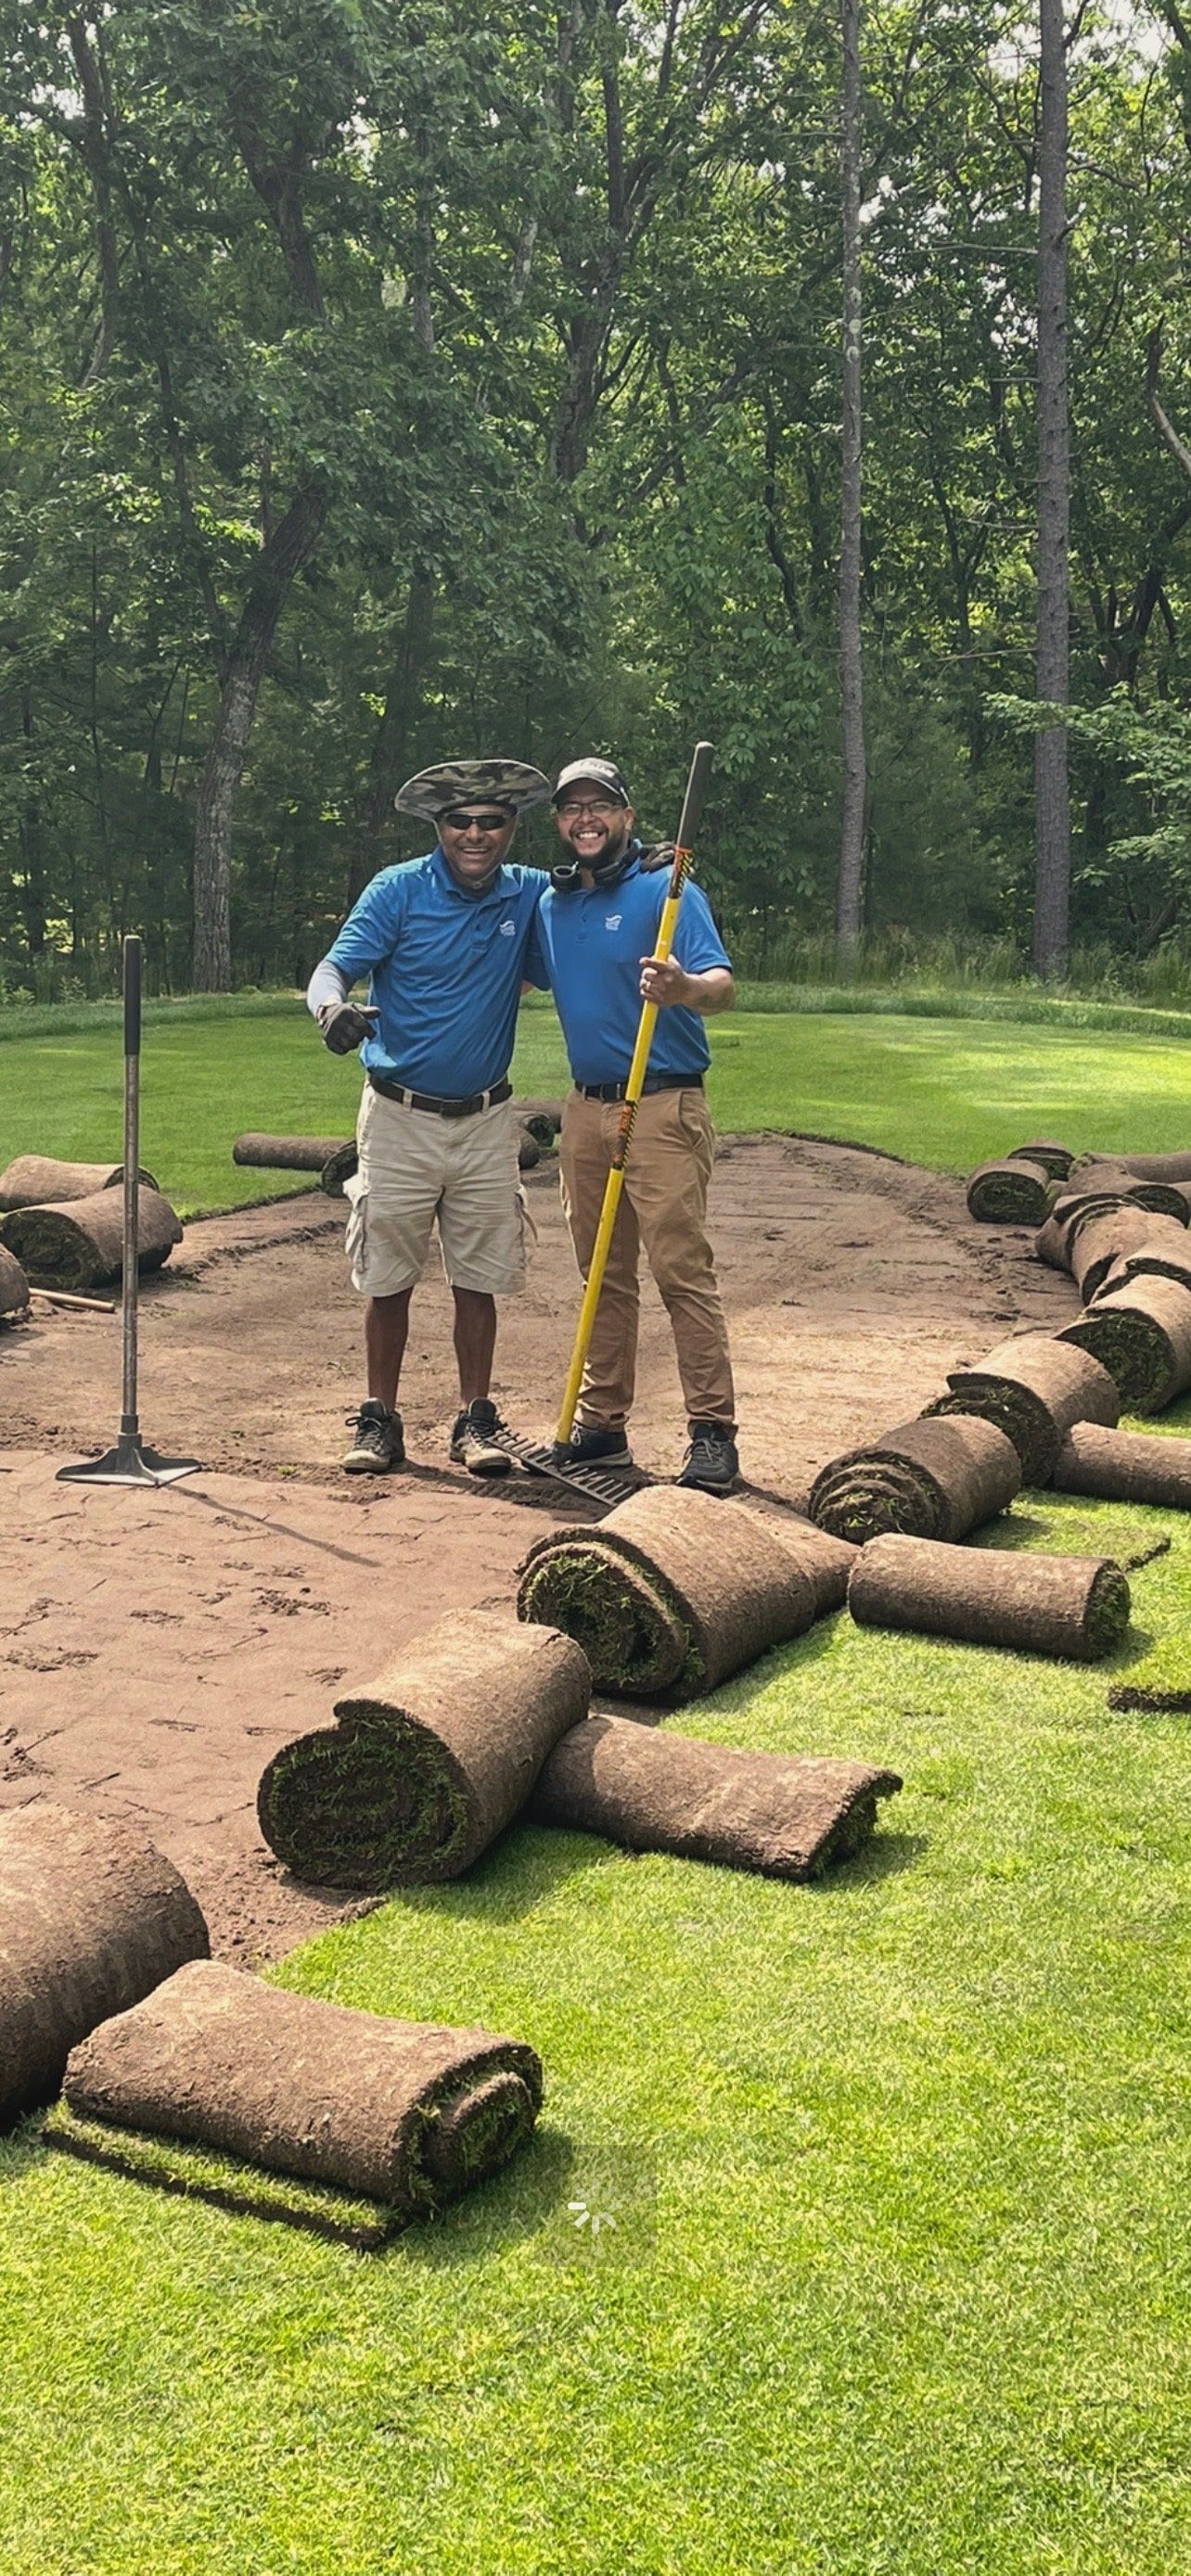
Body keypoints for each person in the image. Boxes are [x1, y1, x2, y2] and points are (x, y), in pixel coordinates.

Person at [306, 758, 552, 1476]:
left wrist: (643, 865)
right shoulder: (398, 889)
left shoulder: (531, 893)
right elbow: (332, 969)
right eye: (459, 821)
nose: (475, 834)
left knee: (479, 1277)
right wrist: (330, 1010)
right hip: (399, 1115)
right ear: (438, 826)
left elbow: (598, 902)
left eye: (491, 821)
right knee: (388, 1276)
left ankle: (476, 1421)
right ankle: (379, 1418)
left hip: (485, 1119)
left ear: (512, 827)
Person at [530, 755, 740, 1494]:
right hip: (585, 1109)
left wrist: (683, 987)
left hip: (660, 1104)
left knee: (681, 1270)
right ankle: (601, 1428)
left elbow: (722, 987)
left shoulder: (668, 890)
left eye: (599, 806)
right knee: (602, 1276)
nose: (585, 819)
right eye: (571, 808)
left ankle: (712, 1433)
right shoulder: (552, 905)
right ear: (560, 823)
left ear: (626, 816)